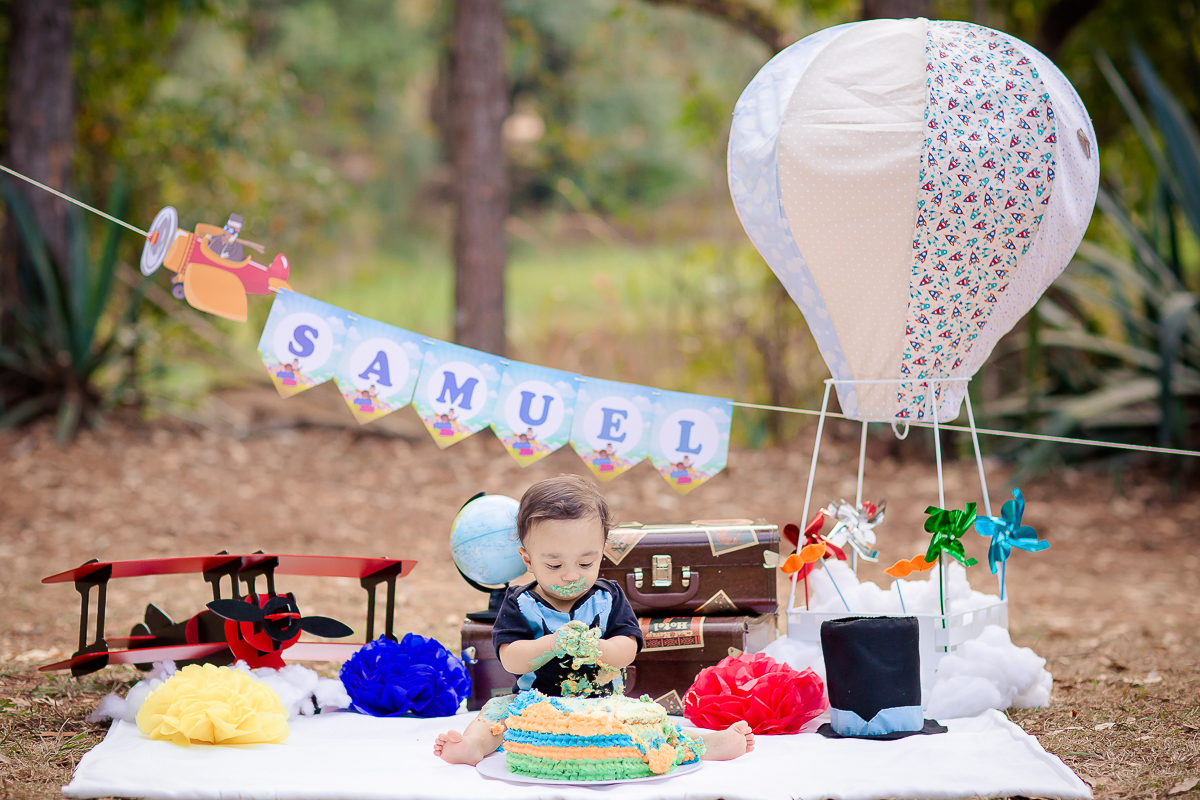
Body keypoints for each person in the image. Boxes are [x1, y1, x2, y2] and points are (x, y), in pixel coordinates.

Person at [434, 474, 754, 765]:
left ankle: (703, 745)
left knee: (650, 721)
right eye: (555, 566)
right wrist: (553, 644)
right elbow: (512, 659)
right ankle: (474, 746)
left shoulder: (608, 596)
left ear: (602, 551)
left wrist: (596, 649)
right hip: (536, 707)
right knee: (496, 712)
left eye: (586, 562)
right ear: (528, 559)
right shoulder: (520, 602)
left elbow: (628, 647)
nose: (572, 575)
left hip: (603, 705)